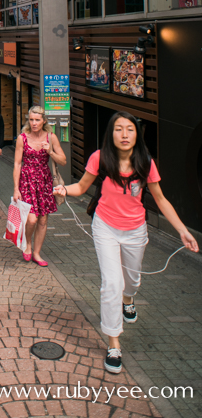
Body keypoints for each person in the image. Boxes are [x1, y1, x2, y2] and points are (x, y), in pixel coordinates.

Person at [54, 111, 199, 375]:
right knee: (112, 283)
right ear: (111, 133)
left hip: (135, 230)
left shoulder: (145, 162)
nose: (124, 134)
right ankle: (113, 343)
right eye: (118, 129)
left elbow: (161, 199)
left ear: (137, 134)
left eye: (129, 129)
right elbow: (82, 186)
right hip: (105, 227)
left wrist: (182, 231)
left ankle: (129, 298)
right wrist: (64, 189)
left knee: (130, 281)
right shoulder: (100, 158)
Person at [13, 106, 66, 267]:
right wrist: (16, 188)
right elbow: (17, 163)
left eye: (37, 120)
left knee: (42, 219)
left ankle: (36, 252)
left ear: (44, 121)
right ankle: (27, 245)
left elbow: (63, 160)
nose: (34, 123)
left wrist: (50, 151)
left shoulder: (51, 137)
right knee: (31, 219)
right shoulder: (22, 138)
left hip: (44, 181)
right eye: (31, 119)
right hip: (27, 181)